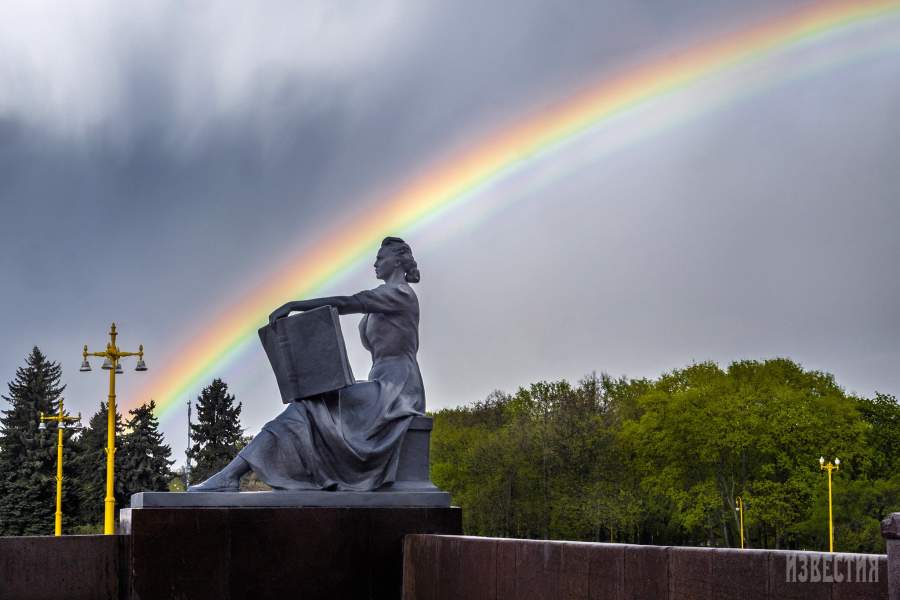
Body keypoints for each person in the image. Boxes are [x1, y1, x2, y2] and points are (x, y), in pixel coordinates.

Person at [189, 237, 424, 492]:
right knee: (310, 404)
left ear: (398, 260)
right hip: (379, 383)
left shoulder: (399, 294)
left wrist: (295, 305)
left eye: (380, 257)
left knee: (310, 406)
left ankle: (231, 476)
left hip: (398, 388)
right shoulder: (383, 301)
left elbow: (346, 303)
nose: (375, 263)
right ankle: (235, 475)